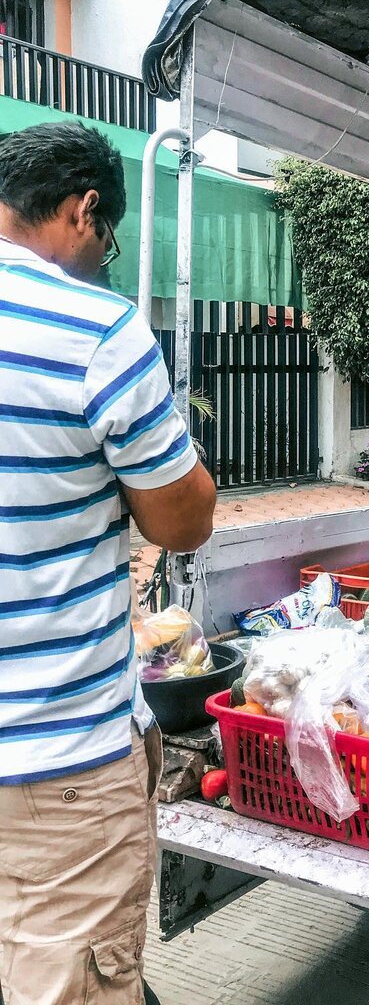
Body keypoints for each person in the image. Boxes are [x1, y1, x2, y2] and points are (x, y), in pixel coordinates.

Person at [0, 123, 217, 1005]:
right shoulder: (92, 328)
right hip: (60, 762)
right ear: (85, 209)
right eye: (108, 240)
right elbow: (181, 519)